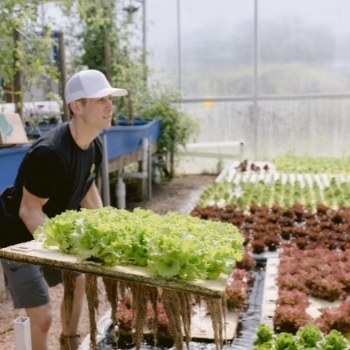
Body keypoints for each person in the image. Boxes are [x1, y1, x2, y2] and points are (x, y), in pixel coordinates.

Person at [0, 69, 127, 350]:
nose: (110, 106)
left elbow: (88, 191)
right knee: (42, 316)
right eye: (100, 100)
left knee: (78, 280)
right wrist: (66, 253)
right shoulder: (51, 155)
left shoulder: (93, 146)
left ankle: (69, 342)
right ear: (77, 107)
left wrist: (111, 233)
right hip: (16, 235)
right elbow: (29, 211)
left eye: (110, 98)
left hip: (45, 225)